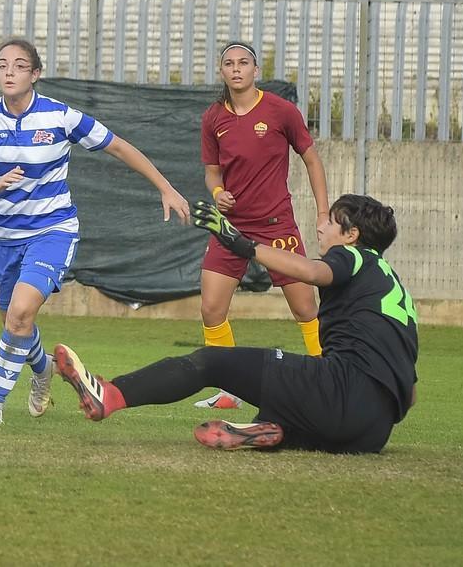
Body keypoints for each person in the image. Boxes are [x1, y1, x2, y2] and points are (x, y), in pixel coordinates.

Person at [53, 194, 418, 454]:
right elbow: (411, 394)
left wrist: (241, 244)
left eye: (331, 221)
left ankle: (110, 396)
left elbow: (311, 271)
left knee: (213, 361)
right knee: (302, 391)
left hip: (341, 392)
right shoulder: (395, 291)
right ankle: (276, 428)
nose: (321, 227)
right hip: (372, 432)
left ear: (352, 235)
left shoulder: (354, 257)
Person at [0, 38, 190, 425]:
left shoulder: (61, 116)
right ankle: (43, 369)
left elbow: (119, 147)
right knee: (16, 325)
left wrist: (165, 187)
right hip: (3, 237)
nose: (9, 72)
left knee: (19, 314)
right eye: (1, 65)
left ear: (36, 74)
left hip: (52, 230)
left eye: (18, 65)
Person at [194, 41, 330, 411]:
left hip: (275, 225)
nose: (236, 69)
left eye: (244, 63)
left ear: (256, 70)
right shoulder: (213, 118)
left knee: (305, 308)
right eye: (229, 63)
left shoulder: (280, 110)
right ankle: (228, 390)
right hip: (230, 229)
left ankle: (331, 377)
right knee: (211, 309)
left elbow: (312, 161)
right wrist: (218, 191)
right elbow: (211, 171)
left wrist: (322, 214)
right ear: (221, 71)